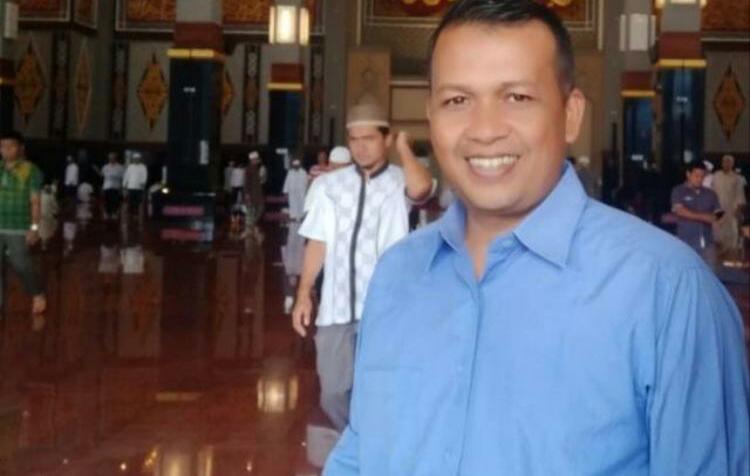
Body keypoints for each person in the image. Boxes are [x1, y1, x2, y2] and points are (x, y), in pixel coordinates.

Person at [324, 1, 749, 475]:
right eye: (457, 101)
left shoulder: (666, 292)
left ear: (571, 114)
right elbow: (361, 452)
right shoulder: (398, 275)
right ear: (431, 116)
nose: (484, 130)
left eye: (517, 97)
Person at [292, 101, 433, 434]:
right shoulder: (329, 186)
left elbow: (422, 189)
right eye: (354, 140)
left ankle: (368, 452)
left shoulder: (400, 182)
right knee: (332, 393)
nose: (360, 147)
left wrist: (404, 149)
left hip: (386, 310)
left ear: (386, 139)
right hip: (336, 308)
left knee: (380, 393)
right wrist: (304, 293)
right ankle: (360, 443)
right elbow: (317, 242)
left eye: (369, 138)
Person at [0, 130, 46, 315]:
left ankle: (37, 293)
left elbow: (35, 201)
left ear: (21, 148)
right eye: (2, 146)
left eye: (11, 146)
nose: (6, 150)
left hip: (18, 226)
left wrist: (34, 228)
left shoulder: (30, 170)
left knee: (20, 263)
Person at [671, 161, 722, 263]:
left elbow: (719, 212)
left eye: (702, 176)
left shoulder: (710, 193)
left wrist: (715, 217)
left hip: (708, 243)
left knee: (709, 271)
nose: (699, 179)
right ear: (688, 174)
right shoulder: (678, 191)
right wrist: (706, 217)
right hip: (686, 243)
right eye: (696, 176)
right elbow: (680, 211)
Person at [711, 154, 747, 253]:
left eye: (729, 162)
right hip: (717, 210)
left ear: (732, 164)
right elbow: (711, 192)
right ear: (722, 163)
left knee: (731, 237)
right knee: (716, 235)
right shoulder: (716, 176)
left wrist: (738, 211)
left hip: (731, 211)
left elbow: (740, 196)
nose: (726, 164)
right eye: (725, 162)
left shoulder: (737, 178)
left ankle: (730, 257)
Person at [303, 146, 352, 215]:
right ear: (330, 165)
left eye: (341, 168)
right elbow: (308, 210)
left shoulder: (355, 184)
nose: (339, 172)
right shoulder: (319, 182)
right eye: (335, 167)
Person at [123, 153, 148, 219]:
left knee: (138, 202)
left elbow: (144, 176)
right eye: (135, 159)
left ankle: (136, 214)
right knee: (130, 201)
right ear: (133, 159)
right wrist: (124, 184)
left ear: (139, 159)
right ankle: (130, 213)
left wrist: (143, 183)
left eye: (137, 159)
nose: (136, 160)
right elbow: (126, 176)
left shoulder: (143, 167)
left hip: (139, 187)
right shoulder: (130, 167)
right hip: (131, 186)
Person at [283, 157, 309, 221]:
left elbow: (306, 183)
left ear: (299, 165)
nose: (296, 167)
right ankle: (293, 217)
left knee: (301, 204)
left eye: (297, 166)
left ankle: (301, 217)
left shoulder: (303, 172)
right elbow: (287, 182)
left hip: (301, 193)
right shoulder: (290, 172)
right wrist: (285, 192)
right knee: (293, 204)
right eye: (295, 166)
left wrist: (307, 192)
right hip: (292, 193)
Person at [100, 152, 125, 220]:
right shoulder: (105, 167)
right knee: (107, 200)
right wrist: (102, 187)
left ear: (115, 158)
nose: (111, 159)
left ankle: (114, 213)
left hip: (116, 186)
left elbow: (122, 178)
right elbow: (102, 177)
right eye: (110, 158)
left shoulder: (120, 167)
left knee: (115, 201)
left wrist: (121, 188)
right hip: (107, 186)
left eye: (113, 158)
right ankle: (108, 213)